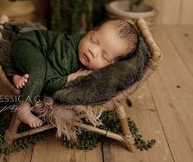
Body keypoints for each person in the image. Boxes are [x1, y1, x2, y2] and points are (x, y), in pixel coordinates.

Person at [10, 18, 139, 128]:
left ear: (111, 65)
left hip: (37, 56)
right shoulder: (65, 56)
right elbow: (47, 83)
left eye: (104, 56)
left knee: (36, 69)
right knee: (38, 70)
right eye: (93, 40)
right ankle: (24, 107)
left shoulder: (94, 68)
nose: (93, 51)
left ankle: (17, 75)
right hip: (29, 45)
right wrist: (69, 78)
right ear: (90, 31)